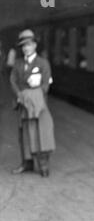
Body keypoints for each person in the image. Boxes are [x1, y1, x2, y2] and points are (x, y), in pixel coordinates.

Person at [9, 29, 55, 177]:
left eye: (28, 45)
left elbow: (46, 87)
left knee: (42, 134)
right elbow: (13, 81)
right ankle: (27, 163)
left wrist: (31, 91)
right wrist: (20, 95)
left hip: (38, 106)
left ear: (35, 45)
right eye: (23, 46)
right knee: (24, 135)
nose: (25, 48)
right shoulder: (18, 63)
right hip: (24, 105)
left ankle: (43, 166)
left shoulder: (43, 63)